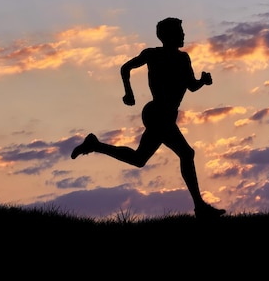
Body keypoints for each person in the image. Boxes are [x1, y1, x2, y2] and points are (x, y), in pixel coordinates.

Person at [71, 17, 226, 219]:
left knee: (139, 159)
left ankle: (96, 145)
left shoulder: (183, 59)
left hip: (167, 115)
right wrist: (128, 93)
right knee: (186, 153)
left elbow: (191, 86)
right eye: (180, 31)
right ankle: (200, 208)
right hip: (156, 113)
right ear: (168, 35)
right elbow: (125, 68)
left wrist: (203, 81)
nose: (183, 35)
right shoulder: (153, 55)